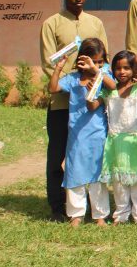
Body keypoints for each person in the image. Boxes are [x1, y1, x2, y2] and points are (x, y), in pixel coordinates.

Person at [40, 0, 109, 221]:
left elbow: (104, 60)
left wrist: (93, 79)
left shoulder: (96, 23)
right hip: (63, 101)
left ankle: (91, 207)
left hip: (92, 104)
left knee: (91, 153)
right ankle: (58, 206)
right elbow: (49, 63)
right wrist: (75, 80)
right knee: (59, 155)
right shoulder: (52, 24)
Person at [48, 38, 112, 227]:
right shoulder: (74, 79)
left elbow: (113, 86)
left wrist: (97, 71)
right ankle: (76, 214)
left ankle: (100, 215)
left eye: (100, 61)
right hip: (76, 132)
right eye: (92, 60)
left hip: (98, 131)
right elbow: (53, 89)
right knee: (75, 170)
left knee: (97, 172)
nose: (96, 64)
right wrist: (59, 67)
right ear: (82, 60)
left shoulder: (103, 74)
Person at [99, 50, 137, 225]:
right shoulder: (109, 91)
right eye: (118, 68)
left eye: (126, 68)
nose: (122, 72)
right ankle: (121, 215)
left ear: (133, 69)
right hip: (116, 141)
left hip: (135, 141)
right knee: (119, 181)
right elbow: (93, 102)